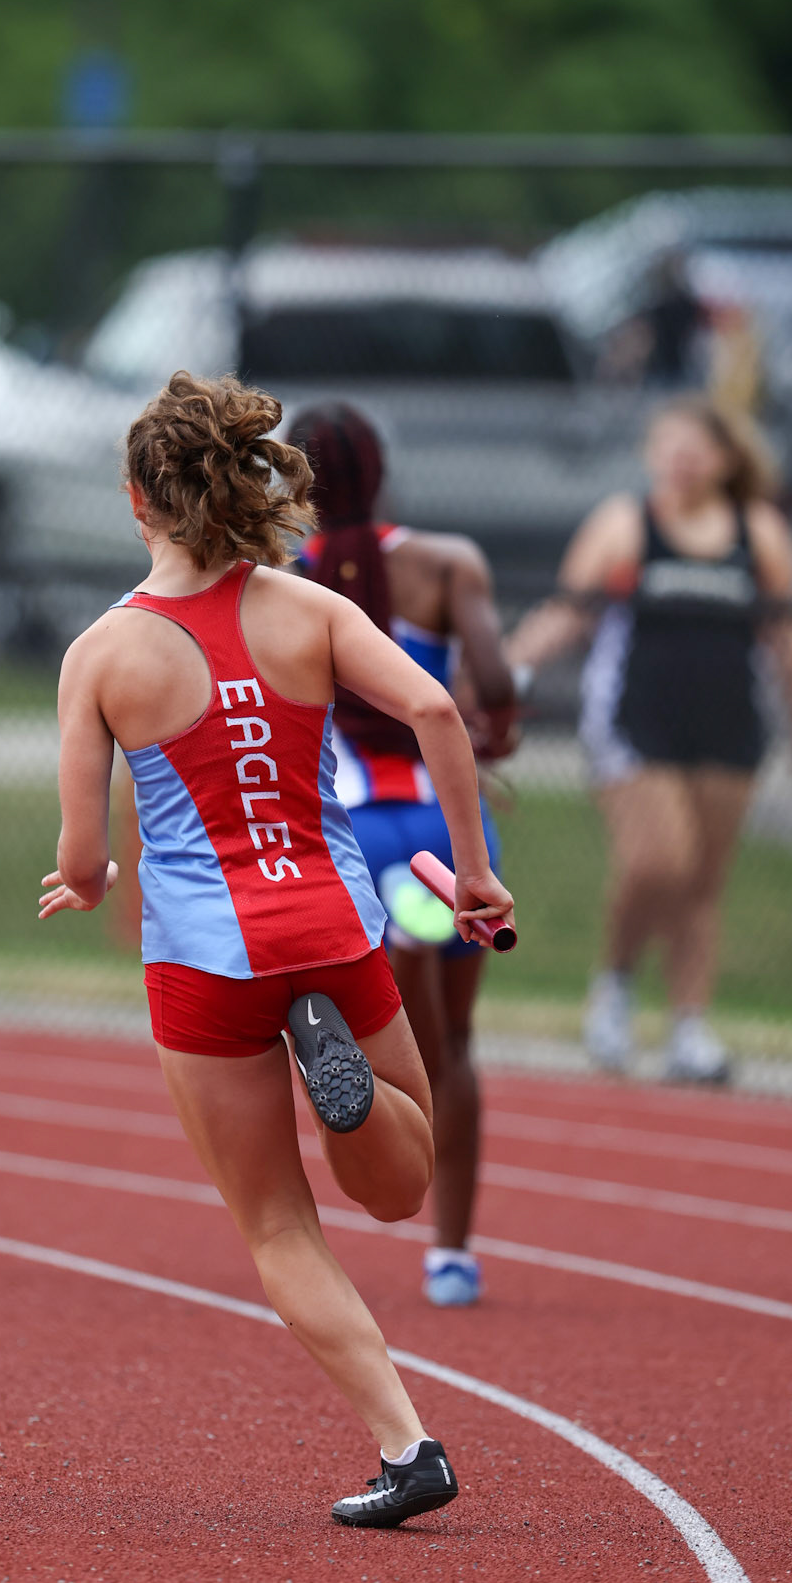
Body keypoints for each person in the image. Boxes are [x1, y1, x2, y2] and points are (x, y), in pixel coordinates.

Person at [39, 371, 513, 1528]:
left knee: (275, 1224)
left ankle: (408, 1444)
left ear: (138, 502)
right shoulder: (308, 610)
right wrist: (477, 872)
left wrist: (83, 879)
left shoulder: (103, 654)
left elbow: (89, 854)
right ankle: (347, 1099)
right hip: (332, 928)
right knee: (404, 1183)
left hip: (203, 962)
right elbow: (440, 713)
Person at [507, 396, 792, 1082]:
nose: (679, 458)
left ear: (726, 459)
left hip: (727, 722)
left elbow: (786, 639)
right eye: (667, 444)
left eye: (695, 447)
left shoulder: (754, 530)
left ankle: (688, 1027)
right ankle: (613, 987)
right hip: (633, 720)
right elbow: (568, 612)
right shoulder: (625, 523)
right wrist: (502, 672)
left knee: (702, 882)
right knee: (659, 861)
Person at [288, 403, 517, 1309]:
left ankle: (350, 1139)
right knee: (452, 1043)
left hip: (347, 830)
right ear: (381, 471)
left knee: (391, 1042)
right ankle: (451, 1256)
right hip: (442, 829)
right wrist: (488, 728)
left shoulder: (277, 579)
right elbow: (494, 686)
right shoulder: (449, 562)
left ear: (296, 482)